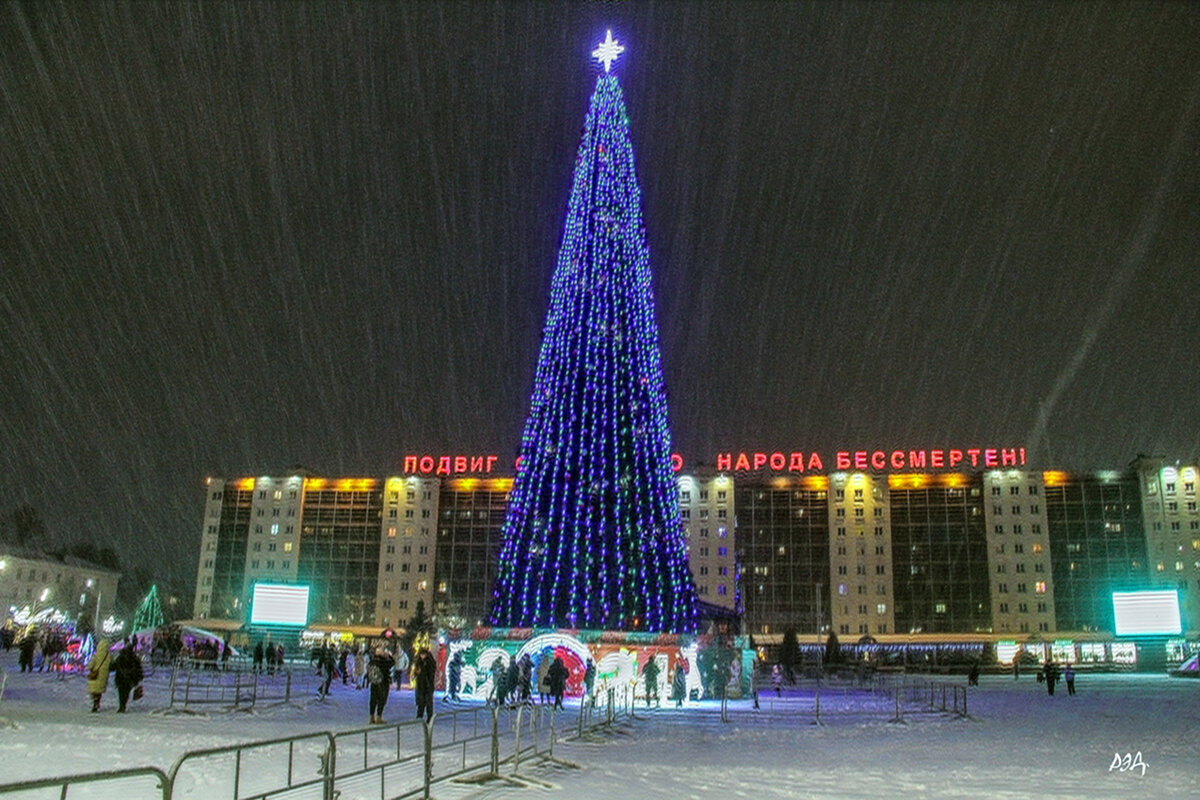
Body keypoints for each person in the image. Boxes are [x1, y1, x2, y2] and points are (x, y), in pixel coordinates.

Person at [113, 639, 144, 712]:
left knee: (121, 692)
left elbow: (114, 666)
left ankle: (122, 705)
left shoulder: (120, 657)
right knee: (126, 692)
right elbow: (138, 668)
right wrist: (139, 677)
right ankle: (123, 705)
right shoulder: (134, 657)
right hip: (129, 678)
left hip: (120, 677)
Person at [367, 646, 395, 724]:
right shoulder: (384, 661)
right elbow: (392, 663)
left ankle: (371, 717)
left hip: (374, 682)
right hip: (383, 682)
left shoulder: (372, 660)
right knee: (381, 700)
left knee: (373, 699)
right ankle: (379, 717)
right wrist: (389, 656)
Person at [86, 638, 113, 712]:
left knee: (94, 690)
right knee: (99, 690)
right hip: (104, 676)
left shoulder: (97, 655)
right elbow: (112, 664)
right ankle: (97, 702)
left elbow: (91, 664)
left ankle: (95, 702)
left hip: (96, 674)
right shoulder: (109, 656)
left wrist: (89, 668)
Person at [411, 646, 437, 722]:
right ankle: (419, 715)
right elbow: (416, 671)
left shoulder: (430, 661)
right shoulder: (418, 662)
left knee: (429, 701)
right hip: (420, 684)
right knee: (420, 701)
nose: (422, 656)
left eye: (423, 654)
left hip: (428, 684)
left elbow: (431, 672)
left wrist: (422, 671)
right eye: (421, 655)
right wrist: (416, 673)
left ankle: (429, 717)